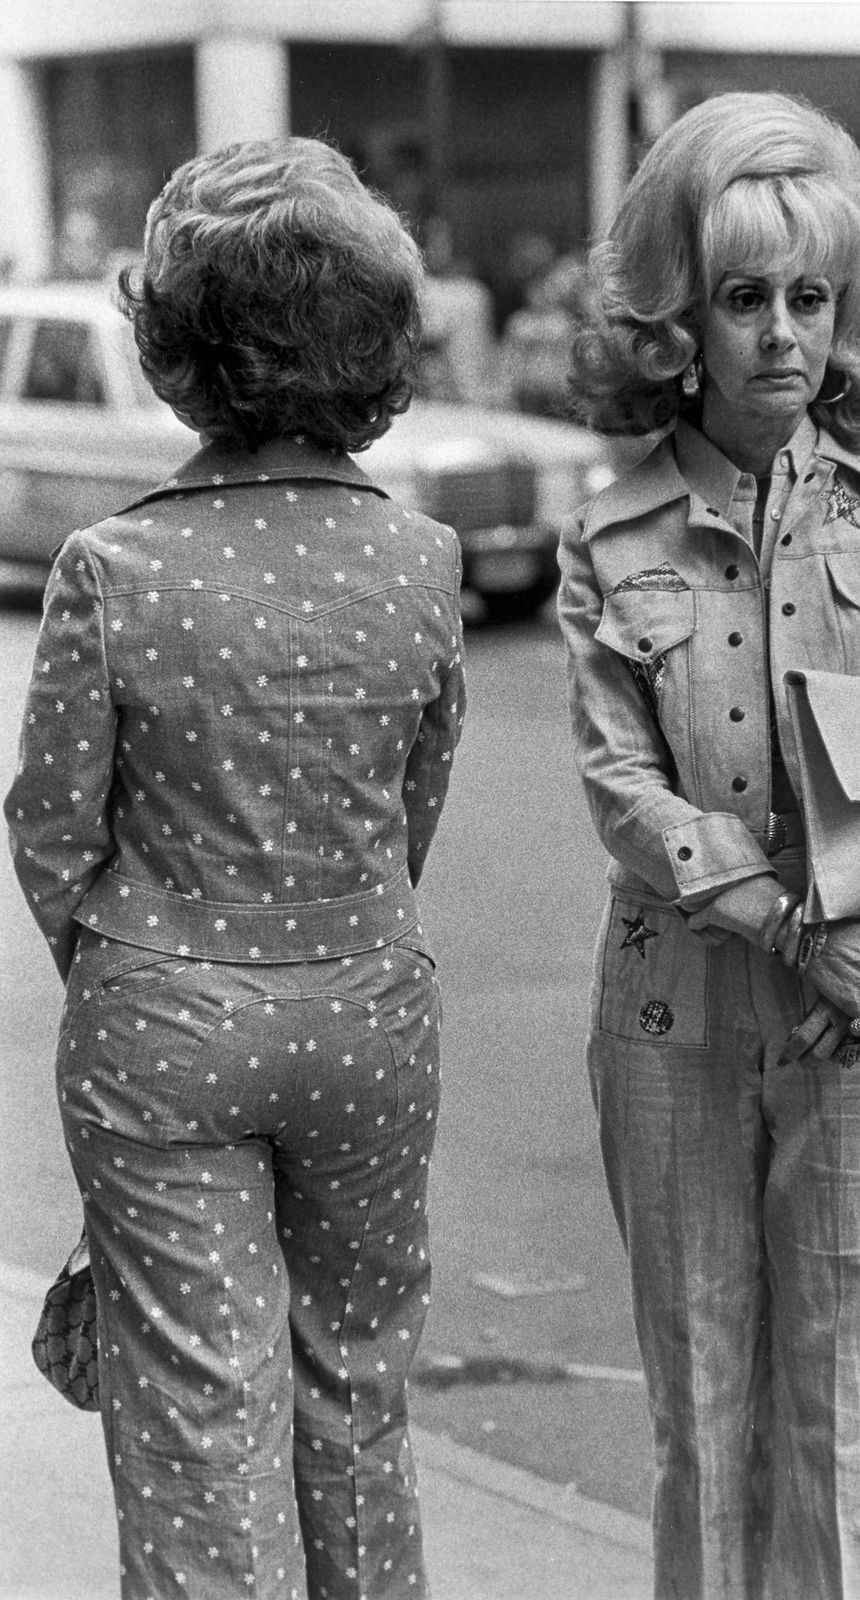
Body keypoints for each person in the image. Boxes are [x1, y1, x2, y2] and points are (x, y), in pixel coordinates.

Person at [558, 92, 860, 1600]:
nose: (782, 334)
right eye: (742, 297)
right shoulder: (613, 540)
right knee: (702, 1424)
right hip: (676, 1022)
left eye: (811, 298)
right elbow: (620, 788)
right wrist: (794, 929)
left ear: (847, 314)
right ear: (676, 324)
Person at [5, 137, 465, 1600]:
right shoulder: (425, 562)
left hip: (164, 1022)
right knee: (355, 1391)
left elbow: (51, 826)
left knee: (201, 1417)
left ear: (177, 350)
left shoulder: (115, 568)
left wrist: (129, 964)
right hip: (369, 1011)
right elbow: (412, 806)